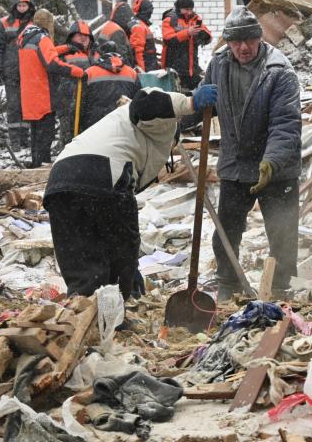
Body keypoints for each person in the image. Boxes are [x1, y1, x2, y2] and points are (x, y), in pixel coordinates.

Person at [43, 86, 218, 298]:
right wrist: (190, 103)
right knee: (121, 250)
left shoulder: (117, 126)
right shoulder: (161, 122)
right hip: (103, 173)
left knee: (81, 262)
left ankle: (85, 312)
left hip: (60, 182)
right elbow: (144, 104)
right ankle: (114, 315)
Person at [193, 7, 301, 302]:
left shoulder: (279, 71)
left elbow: (286, 124)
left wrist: (272, 162)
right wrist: (188, 107)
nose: (243, 47)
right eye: (236, 41)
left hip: (276, 167)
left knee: (282, 229)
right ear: (227, 42)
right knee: (227, 229)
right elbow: (205, 102)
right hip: (235, 163)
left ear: (259, 37)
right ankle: (228, 283)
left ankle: (279, 287)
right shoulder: (219, 64)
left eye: (249, 40)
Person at [18, 9, 85, 168]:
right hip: (43, 93)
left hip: (30, 93)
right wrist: (77, 72)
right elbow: (52, 64)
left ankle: (36, 164)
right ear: (49, 23)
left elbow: (44, 53)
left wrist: (67, 48)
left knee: (36, 133)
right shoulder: (43, 38)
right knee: (45, 134)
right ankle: (43, 166)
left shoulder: (26, 38)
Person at [0, 0, 34, 149]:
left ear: (29, 7)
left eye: (25, 5)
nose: (22, 8)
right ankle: (15, 140)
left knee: (27, 105)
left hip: (30, 71)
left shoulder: (34, 23)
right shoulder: (4, 23)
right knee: (14, 105)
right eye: (20, 5)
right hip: (11, 71)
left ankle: (25, 138)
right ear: (14, 6)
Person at [78, 40, 142, 133]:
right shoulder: (132, 73)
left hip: (94, 128)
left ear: (99, 54)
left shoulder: (89, 72)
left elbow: (80, 105)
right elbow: (138, 102)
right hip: (123, 126)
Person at [53, 19, 96, 146]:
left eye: (86, 36)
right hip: (68, 102)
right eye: (79, 35)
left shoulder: (95, 53)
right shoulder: (65, 53)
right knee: (69, 136)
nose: (83, 38)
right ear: (72, 37)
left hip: (88, 103)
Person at [161, 0, 212, 91]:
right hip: (175, 69)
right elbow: (168, 39)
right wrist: (187, 33)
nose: (189, 12)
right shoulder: (170, 19)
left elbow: (208, 34)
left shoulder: (195, 19)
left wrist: (203, 35)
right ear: (179, 8)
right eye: (186, 9)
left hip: (192, 69)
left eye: (191, 9)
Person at [97, 0, 135, 67]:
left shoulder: (110, 25)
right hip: (115, 68)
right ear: (124, 18)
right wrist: (130, 71)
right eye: (128, 19)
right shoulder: (117, 31)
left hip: (106, 65)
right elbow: (121, 56)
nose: (129, 22)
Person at [129, 0, 159, 72]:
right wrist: (141, 71)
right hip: (147, 68)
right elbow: (138, 51)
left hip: (148, 66)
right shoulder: (139, 26)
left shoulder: (139, 24)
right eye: (150, 12)